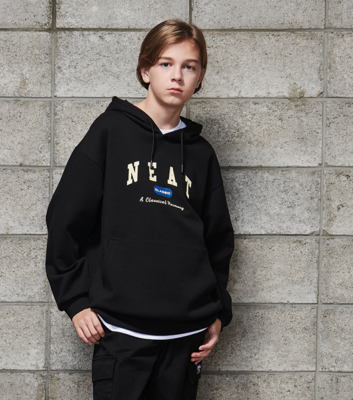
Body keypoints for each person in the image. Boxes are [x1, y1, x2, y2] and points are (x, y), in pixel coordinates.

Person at [46, 19, 234, 400]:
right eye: (166, 64)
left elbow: (218, 242)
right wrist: (76, 302)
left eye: (189, 66)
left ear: (199, 78)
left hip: (185, 340)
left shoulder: (201, 155)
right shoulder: (110, 132)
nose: (177, 75)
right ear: (145, 70)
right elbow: (65, 219)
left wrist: (217, 313)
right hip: (121, 335)